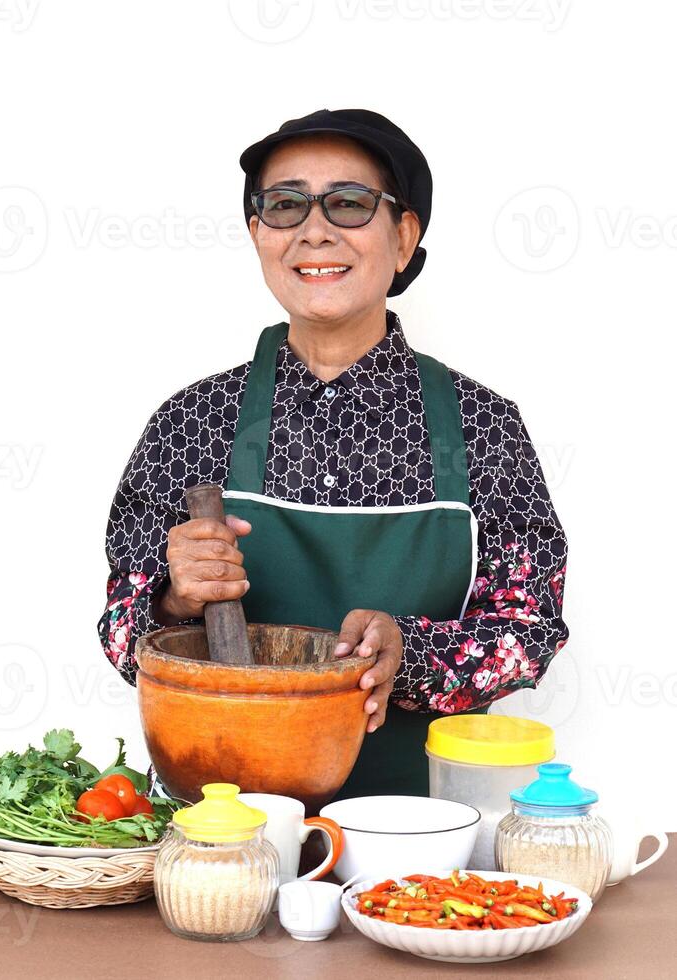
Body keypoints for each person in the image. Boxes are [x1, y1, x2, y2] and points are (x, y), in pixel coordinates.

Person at [98, 108, 568, 799]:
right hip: (227, 835)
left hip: (423, 841)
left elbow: (531, 627)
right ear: (258, 234)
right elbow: (120, 635)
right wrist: (173, 601)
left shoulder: (483, 426)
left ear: (404, 237)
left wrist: (410, 654)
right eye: (284, 206)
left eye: (348, 203)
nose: (313, 230)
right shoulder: (192, 422)